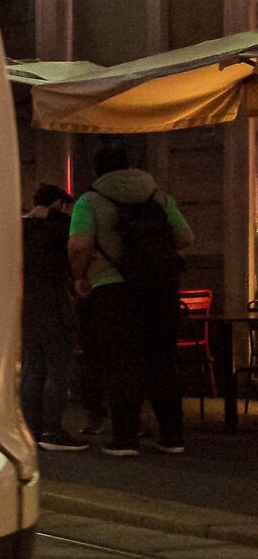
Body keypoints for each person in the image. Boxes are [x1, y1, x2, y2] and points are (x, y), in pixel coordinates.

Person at [69, 146, 195, 457]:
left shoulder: (89, 201)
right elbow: (185, 237)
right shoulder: (159, 197)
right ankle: (173, 437)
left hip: (111, 290)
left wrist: (80, 277)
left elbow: (79, 245)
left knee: (121, 363)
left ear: (98, 171)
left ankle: (125, 438)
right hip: (160, 290)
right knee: (163, 361)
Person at [20, 184, 86, 451]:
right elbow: (76, 243)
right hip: (55, 306)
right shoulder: (60, 227)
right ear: (59, 204)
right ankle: (52, 431)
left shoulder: (21, 228)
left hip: (26, 307)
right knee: (57, 368)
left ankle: (32, 431)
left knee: (33, 368)